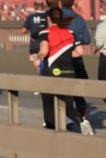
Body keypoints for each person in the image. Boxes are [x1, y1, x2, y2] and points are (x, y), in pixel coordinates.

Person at [36, 7, 93, 135]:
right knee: (68, 105)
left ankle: (52, 129)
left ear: (49, 19)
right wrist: (66, 55)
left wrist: (37, 57)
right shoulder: (70, 32)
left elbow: (44, 51)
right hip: (69, 72)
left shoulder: (45, 32)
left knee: (48, 101)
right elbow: (80, 52)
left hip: (51, 72)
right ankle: (82, 122)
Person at [59, 0, 91, 120]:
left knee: (63, 90)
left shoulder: (57, 19)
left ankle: (67, 118)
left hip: (61, 59)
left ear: (60, 2)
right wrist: (77, 39)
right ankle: (83, 115)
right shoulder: (79, 19)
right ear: (72, 2)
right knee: (78, 90)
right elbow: (88, 39)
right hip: (77, 59)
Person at [21, 0, 49, 66]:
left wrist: (31, 29)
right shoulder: (47, 16)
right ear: (43, 6)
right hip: (46, 43)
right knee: (45, 61)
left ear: (34, 7)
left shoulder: (30, 17)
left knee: (36, 61)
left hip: (34, 44)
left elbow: (23, 30)